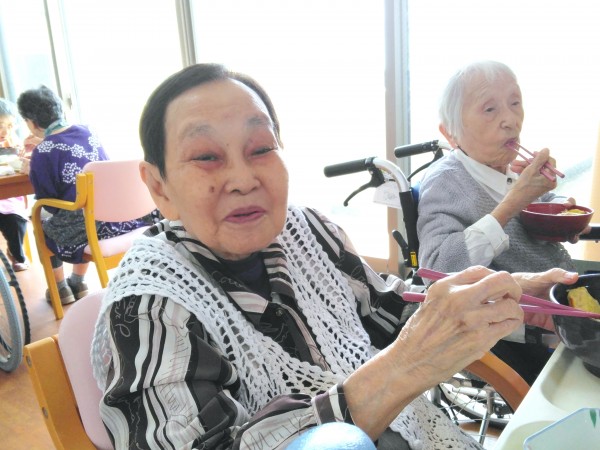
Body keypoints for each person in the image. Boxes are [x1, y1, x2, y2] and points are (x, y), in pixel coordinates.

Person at [91, 63, 577, 449]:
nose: (242, 179)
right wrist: (402, 370)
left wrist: (499, 298)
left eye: (260, 148)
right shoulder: (150, 309)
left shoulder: (309, 230)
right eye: (206, 157)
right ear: (159, 186)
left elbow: (387, 306)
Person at [416, 60, 588, 384]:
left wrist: (562, 212)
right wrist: (514, 200)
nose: (510, 120)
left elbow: (535, 210)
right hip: (526, 330)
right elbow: (438, 270)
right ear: (450, 133)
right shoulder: (445, 181)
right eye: (490, 109)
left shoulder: (509, 170)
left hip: (564, 301)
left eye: (515, 103)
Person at [17, 86, 149, 305]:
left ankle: (60, 289)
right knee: (84, 207)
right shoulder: (88, 132)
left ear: (31, 122)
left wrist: (33, 169)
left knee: (41, 220)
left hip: (86, 227)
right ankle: (78, 282)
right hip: (118, 217)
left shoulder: (43, 151)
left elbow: (48, 202)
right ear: (59, 109)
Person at [0, 99, 30, 272]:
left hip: (9, 198)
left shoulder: (13, 142)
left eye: (10, 126)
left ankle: (16, 253)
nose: (5, 131)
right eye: (0, 126)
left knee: (15, 220)